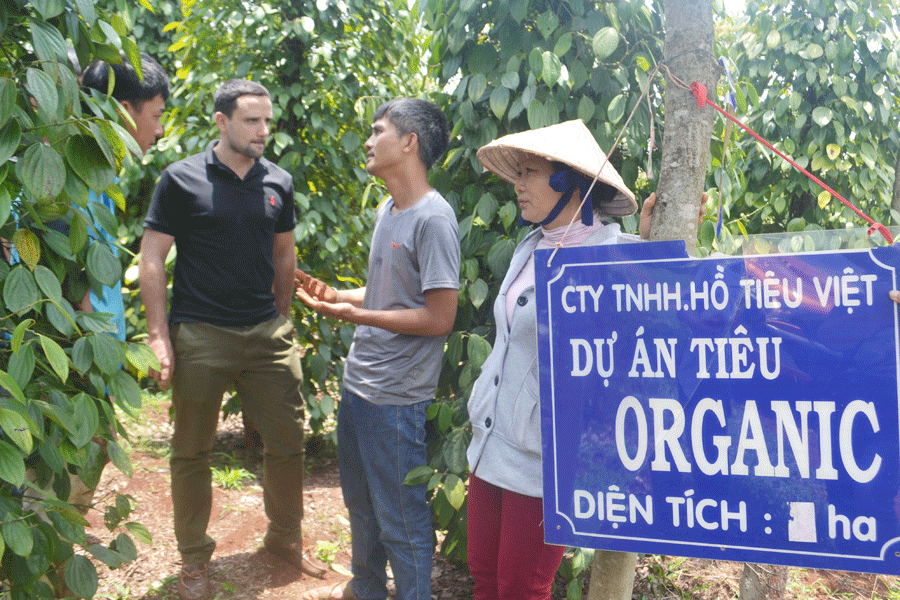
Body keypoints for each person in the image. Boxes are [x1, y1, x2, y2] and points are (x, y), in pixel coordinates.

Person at [138, 79, 326, 600]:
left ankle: (285, 538)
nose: (264, 130)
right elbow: (152, 257)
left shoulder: (278, 182)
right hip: (201, 333)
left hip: (266, 333)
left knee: (288, 443)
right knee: (191, 452)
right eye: (252, 120)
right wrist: (159, 336)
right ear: (221, 122)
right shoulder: (181, 179)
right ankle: (194, 559)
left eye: (268, 120)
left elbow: (284, 254)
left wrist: (282, 319)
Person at [465, 119, 659, 600]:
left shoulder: (610, 256)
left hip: (544, 460)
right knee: (484, 579)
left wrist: (655, 244)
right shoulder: (530, 246)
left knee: (521, 589)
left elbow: (660, 309)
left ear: (567, 179)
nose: (518, 184)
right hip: (490, 445)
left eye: (530, 172)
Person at [295, 98, 459, 600]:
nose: (368, 142)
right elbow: (393, 292)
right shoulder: (389, 209)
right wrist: (340, 296)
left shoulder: (434, 219)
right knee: (361, 505)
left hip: (396, 398)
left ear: (409, 143)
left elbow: (439, 316)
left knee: (401, 518)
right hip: (359, 386)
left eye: (378, 131)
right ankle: (365, 589)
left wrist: (357, 317)